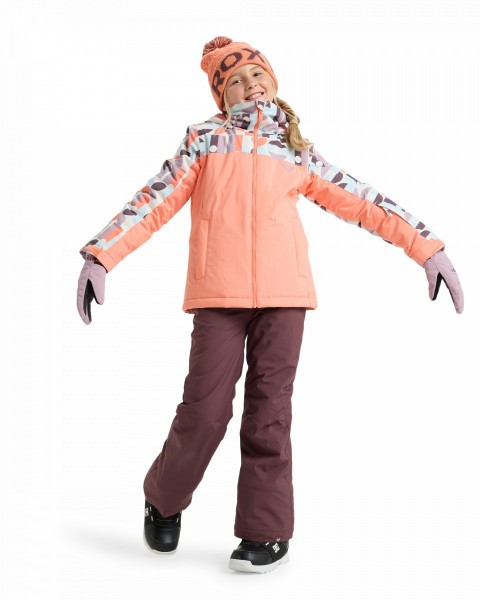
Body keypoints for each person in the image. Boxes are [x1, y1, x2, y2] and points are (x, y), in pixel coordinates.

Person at [76, 36, 464, 574]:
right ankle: (163, 498)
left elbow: (362, 200)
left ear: (273, 81)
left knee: (270, 416)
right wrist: (101, 255)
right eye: (235, 80)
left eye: (256, 75)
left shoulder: (296, 150)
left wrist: (427, 248)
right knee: (205, 411)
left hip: (285, 297)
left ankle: (265, 531)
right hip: (219, 295)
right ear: (222, 96)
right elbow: (154, 200)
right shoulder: (205, 140)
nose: (249, 85)